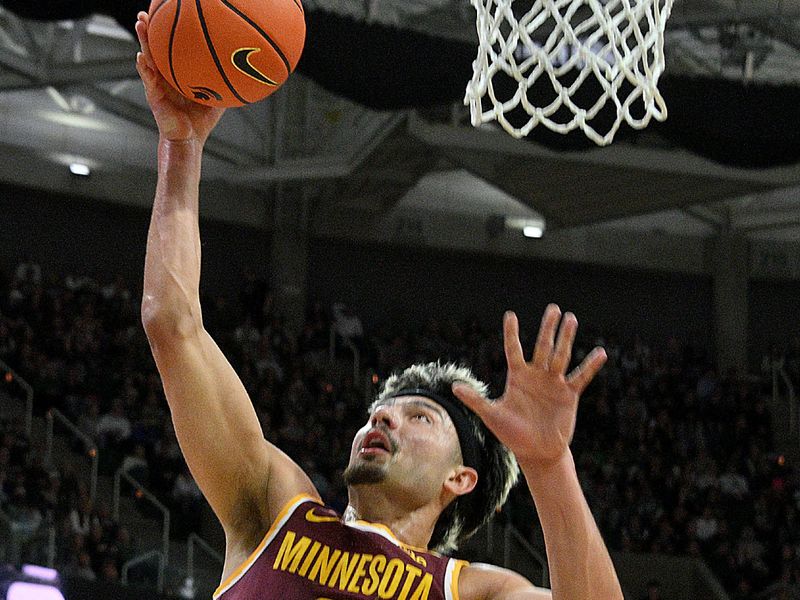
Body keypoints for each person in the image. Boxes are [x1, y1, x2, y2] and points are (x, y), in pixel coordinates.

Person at [134, 11, 624, 600]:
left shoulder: (471, 591)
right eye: (381, 411)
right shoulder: (272, 511)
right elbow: (171, 322)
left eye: (421, 418)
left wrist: (549, 469)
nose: (383, 418)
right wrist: (181, 149)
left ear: (460, 478)